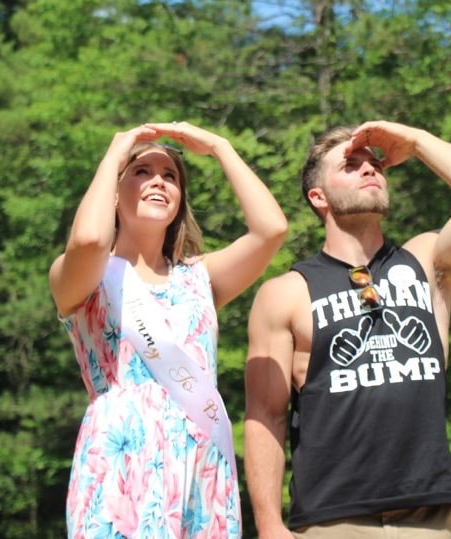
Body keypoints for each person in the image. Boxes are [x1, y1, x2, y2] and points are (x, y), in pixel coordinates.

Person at [244, 121, 451, 538]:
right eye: (350, 165)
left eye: (374, 163)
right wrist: (268, 524)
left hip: (429, 517)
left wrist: (416, 141)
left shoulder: (427, 262)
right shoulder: (286, 293)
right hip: (332, 520)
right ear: (318, 197)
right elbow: (265, 414)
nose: (369, 169)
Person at [50, 121, 287, 539]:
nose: (158, 181)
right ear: (113, 192)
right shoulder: (86, 275)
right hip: (122, 461)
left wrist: (220, 146)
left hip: (201, 464)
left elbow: (271, 230)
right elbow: (88, 239)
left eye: (170, 176)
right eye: (141, 172)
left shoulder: (199, 277)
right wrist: (115, 153)